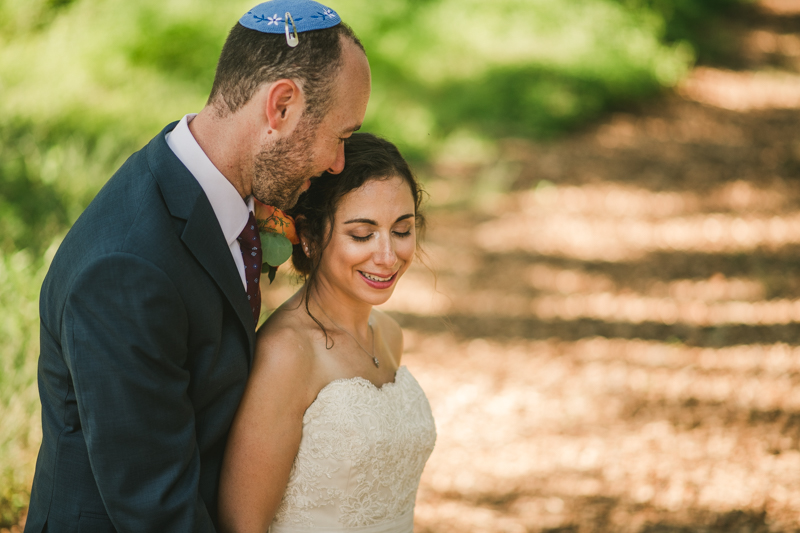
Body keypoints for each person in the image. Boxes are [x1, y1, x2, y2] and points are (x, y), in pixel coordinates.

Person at [25, 1, 370, 531]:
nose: (338, 164)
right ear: (281, 107)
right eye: (340, 136)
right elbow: (155, 509)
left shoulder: (204, 184)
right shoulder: (126, 271)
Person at [217, 132, 436, 533]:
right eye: (362, 234)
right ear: (312, 237)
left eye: (402, 230)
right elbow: (241, 524)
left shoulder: (389, 335)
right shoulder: (287, 354)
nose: (388, 256)